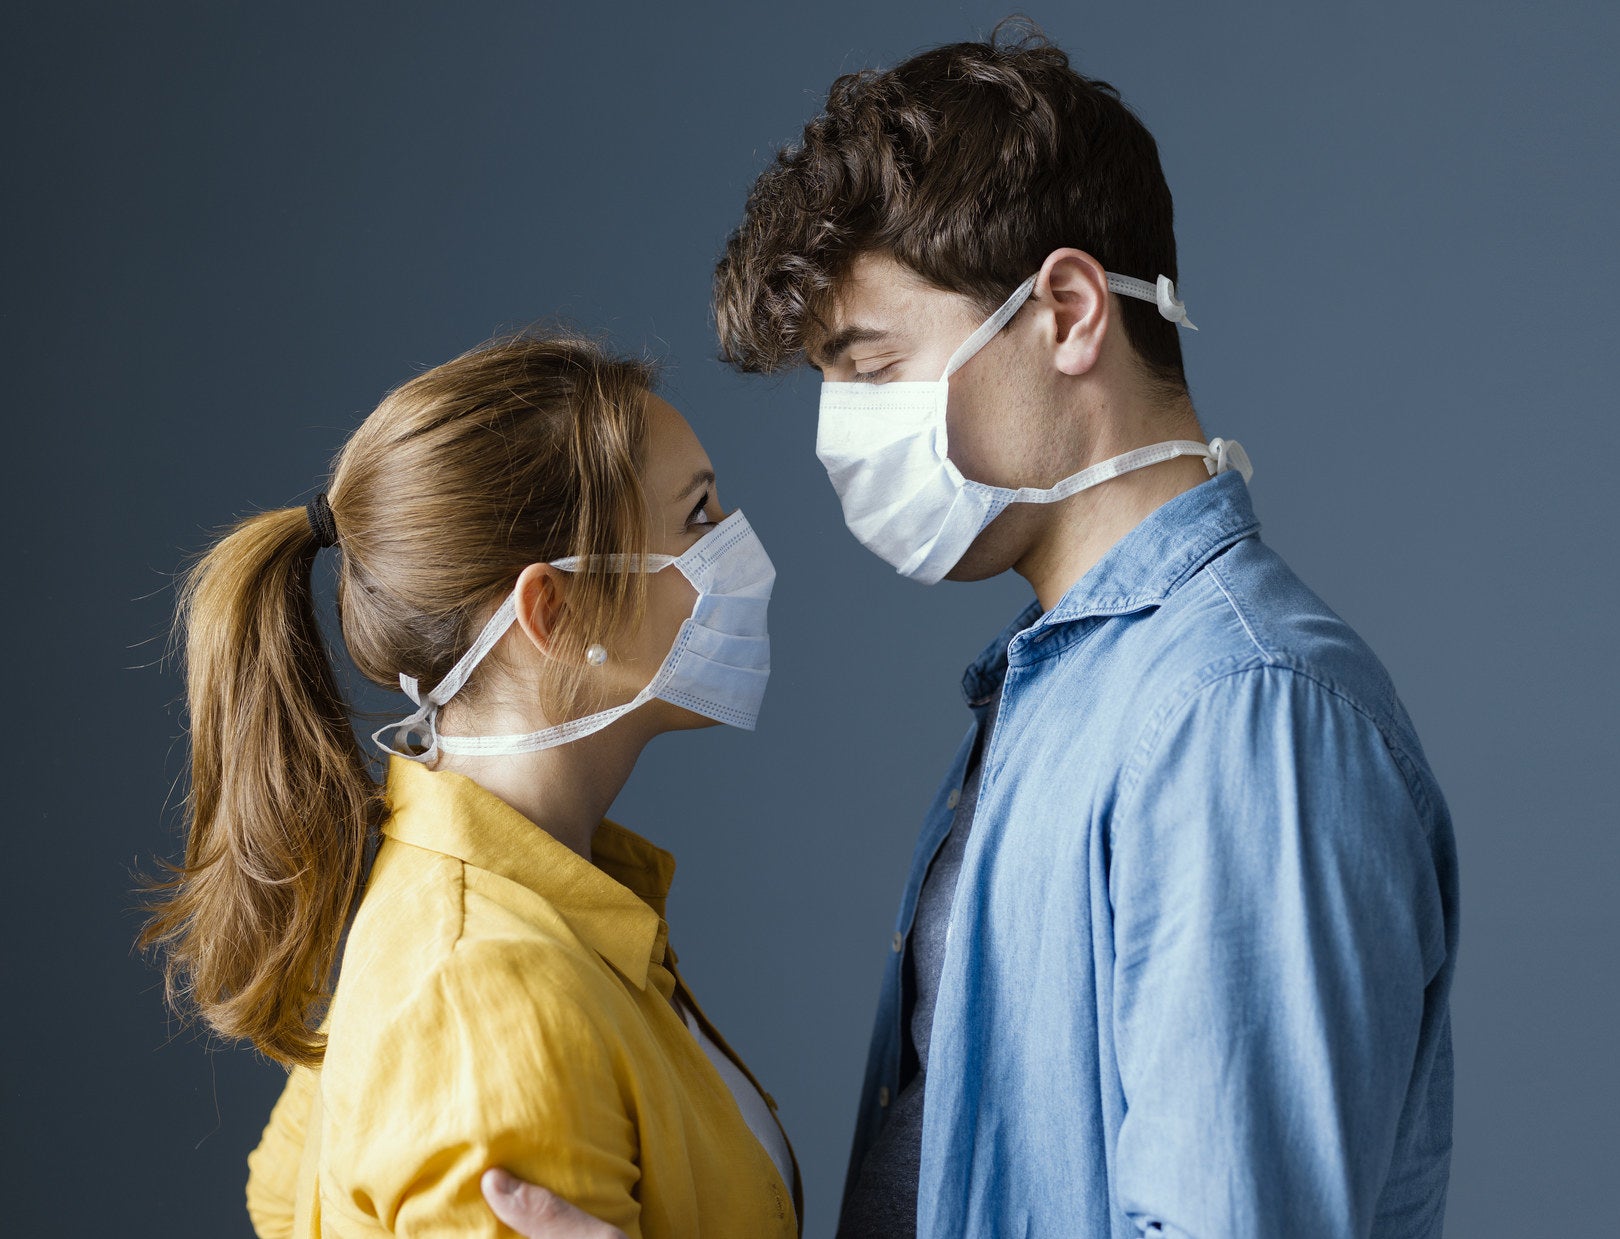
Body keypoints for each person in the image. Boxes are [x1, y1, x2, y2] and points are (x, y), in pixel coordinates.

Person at [492, 21, 1458, 1239]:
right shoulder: (1062, 687)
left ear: (1065, 312)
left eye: (874, 364)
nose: (842, 434)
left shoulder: (1238, 717)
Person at [139, 333, 801, 1238]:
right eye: (698, 517)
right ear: (555, 613)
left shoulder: (508, 908)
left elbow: (289, 1199)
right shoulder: (487, 992)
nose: (738, 547)